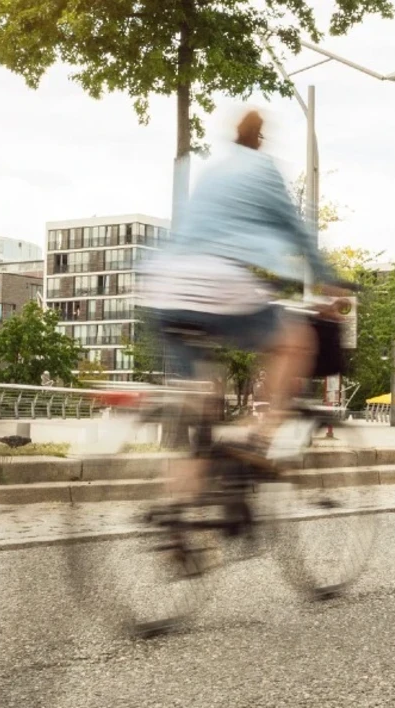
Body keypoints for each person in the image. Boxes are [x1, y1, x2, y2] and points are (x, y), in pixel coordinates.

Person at [138, 109, 348, 493]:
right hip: (217, 280)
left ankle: (177, 516)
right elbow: (296, 230)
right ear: (260, 139)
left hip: (164, 284)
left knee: (202, 402)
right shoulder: (263, 171)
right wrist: (327, 281)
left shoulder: (212, 171)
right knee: (295, 340)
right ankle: (259, 436)